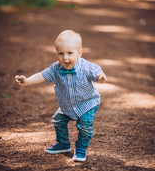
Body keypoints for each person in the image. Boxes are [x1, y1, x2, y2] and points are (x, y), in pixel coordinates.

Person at [15, 30, 107, 162]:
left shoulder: (86, 67)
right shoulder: (55, 69)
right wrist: (27, 81)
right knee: (58, 120)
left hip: (87, 103)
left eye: (70, 53)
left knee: (85, 125)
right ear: (56, 53)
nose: (65, 58)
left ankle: (81, 148)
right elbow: (42, 75)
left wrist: (101, 77)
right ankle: (63, 143)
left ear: (79, 53)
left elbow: (97, 72)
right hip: (67, 105)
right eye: (61, 54)